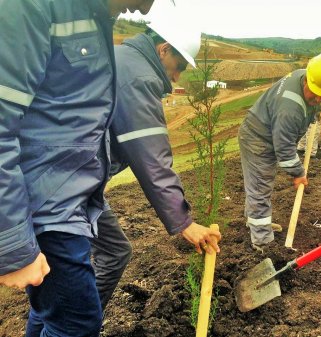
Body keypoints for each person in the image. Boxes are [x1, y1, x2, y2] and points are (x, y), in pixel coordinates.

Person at [0, 1, 160, 336]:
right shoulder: (34, 7)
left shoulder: (92, 17)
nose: (145, 9)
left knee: (56, 314)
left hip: (65, 201)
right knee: (76, 322)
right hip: (44, 206)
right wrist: (12, 246)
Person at [91, 1, 222, 311]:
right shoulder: (138, 78)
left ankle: (70, 323)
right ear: (163, 49)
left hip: (72, 179)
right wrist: (184, 222)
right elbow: (152, 159)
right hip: (68, 184)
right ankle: (77, 324)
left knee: (103, 254)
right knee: (99, 258)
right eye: (179, 67)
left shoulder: (124, 57)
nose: (177, 78)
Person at [238, 52, 321, 252]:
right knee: (260, 187)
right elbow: (285, 149)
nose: (319, 97)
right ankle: (262, 242)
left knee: (257, 184)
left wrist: (313, 110)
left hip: (267, 131)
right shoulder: (290, 109)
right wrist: (298, 173)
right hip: (257, 138)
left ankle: (255, 222)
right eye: (314, 92)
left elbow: (318, 94)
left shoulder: (308, 74)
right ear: (307, 80)